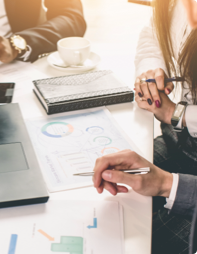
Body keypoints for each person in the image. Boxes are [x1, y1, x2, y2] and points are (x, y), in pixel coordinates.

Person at [93, 0, 197, 253]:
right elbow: (154, 31)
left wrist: (166, 184)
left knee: (135, 239)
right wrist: (151, 72)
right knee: (107, 209)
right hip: (182, 141)